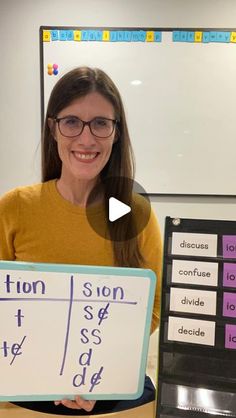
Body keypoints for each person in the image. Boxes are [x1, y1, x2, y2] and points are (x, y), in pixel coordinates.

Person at [0, 66, 162, 415]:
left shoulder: (134, 213)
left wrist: (97, 368)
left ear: (116, 133)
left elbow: (154, 305)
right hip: (28, 379)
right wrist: (49, 368)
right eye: (72, 122)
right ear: (52, 129)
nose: (86, 139)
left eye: (101, 124)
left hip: (113, 380)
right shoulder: (14, 207)